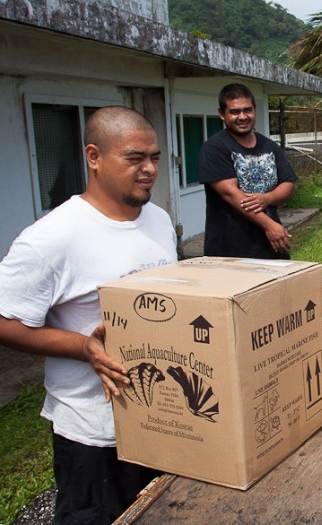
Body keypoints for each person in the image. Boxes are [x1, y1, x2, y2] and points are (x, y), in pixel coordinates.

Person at [0, 106, 177, 524]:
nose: (149, 169)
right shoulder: (51, 238)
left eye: (154, 157)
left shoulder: (158, 219)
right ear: (94, 157)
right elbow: (6, 322)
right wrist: (84, 347)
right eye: (135, 158)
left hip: (161, 420)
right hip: (93, 431)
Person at [198, 83, 297, 259]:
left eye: (247, 110)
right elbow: (231, 194)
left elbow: (287, 184)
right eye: (235, 112)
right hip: (229, 251)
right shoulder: (214, 148)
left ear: (254, 110)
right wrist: (269, 225)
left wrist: (268, 198)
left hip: (270, 247)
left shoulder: (269, 146)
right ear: (222, 114)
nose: (242, 117)